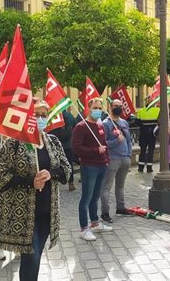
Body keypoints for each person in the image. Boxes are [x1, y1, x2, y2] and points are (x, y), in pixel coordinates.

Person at [0, 100, 71, 280]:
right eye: (36, 114)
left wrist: (50, 174)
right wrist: (30, 182)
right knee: (32, 255)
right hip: (22, 213)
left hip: (46, 211)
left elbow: (66, 170)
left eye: (44, 115)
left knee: (33, 256)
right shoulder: (14, 143)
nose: (40, 118)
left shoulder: (53, 141)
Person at [73, 98, 113, 241]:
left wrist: (106, 159)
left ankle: (95, 222)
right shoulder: (81, 126)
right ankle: (84, 228)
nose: (97, 110)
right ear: (89, 108)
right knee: (86, 198)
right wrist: (96, 150)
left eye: (99, 108)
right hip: (89, 166)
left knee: (95, 197)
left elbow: (104, 144)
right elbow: (77, 148)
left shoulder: (100, 125)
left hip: (102, 165)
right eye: (95, 107)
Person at [100, 99, 133, 223]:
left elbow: (129, 140)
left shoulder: (124, 122)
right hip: (113, 159)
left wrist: (129, 155)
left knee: (120, 186)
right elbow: (103, 144)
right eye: (115, 106)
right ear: (110, 107)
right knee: (106, 187)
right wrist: (116, 141)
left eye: (120, 106)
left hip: (125, 159)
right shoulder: (105, 124)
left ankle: (121, 207)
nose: (118, 108)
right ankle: (105, 212)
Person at [50, 109, 77, 191]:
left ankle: (55, 181)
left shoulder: (54, 116)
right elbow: (75, 127)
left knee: (55, 164)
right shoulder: (70, 116)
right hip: (68, 145)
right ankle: (71, 182)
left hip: (56, 144)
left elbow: (50, 130)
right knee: (69, 164)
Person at [136, 106, 158, 173]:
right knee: (149, 151)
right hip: (151, 134)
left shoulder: (141, 110)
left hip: (144, 134)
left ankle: (142, 167)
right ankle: (148, 168)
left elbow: (137, 122)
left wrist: (144, 128)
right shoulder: (157, 110)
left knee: (143, 151)